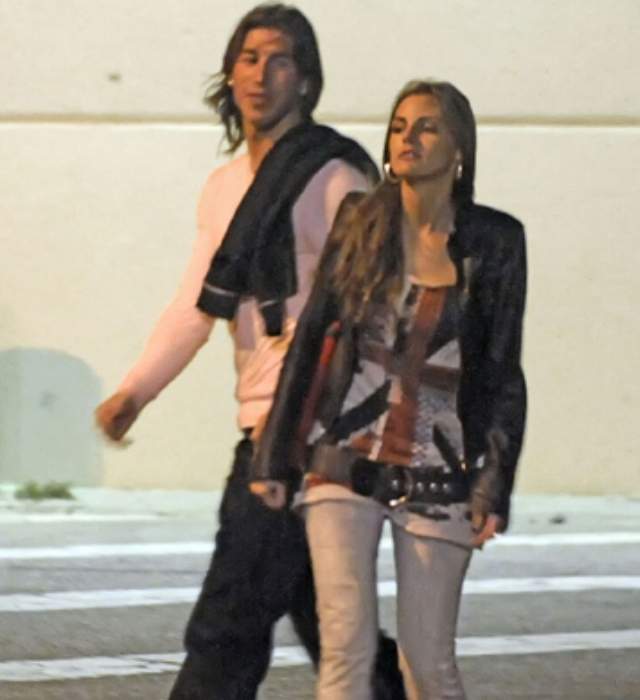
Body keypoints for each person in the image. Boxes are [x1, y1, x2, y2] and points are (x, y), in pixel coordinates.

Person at [95, 4, 406, 699]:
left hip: (314, 434)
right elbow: (195, 305)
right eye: (249, 58)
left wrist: (312, 413)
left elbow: (371, 308)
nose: (262, 74)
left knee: (230, 620)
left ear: (307, 79)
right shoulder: (224, 188)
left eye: (280, 59)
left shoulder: (336, 177)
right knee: (331, 625)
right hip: (264, 425)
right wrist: (136, 391)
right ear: (230, 74)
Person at [250, 79, 527, 699]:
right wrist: (274, 456)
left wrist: (493, 483)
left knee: (427, 664)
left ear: (459, 147)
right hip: (342, 459)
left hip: (439, 470)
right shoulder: (360, 220)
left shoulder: (496, 241)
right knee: (344, 650)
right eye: (400, 126)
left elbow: (503, 370)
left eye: (427, 127)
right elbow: (311, 336)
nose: (408, 138)